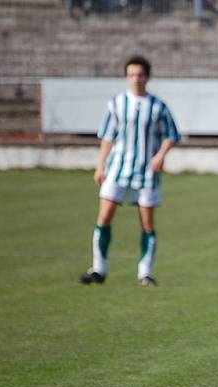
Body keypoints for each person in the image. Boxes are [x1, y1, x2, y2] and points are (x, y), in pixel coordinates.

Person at [79, 55, 180, 287]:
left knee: (147, 223)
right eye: (132, 74)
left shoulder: (158, 106)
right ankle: (99, 269)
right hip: (117, 168)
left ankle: (145, 272)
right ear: (126, 77)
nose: (136, 79)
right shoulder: (116, 104)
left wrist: (160, 155)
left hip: (146, 172)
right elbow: (107, 136)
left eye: (140, 74)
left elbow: (171, 135)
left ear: (147, 77)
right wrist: (100, 165)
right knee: (104, 217)